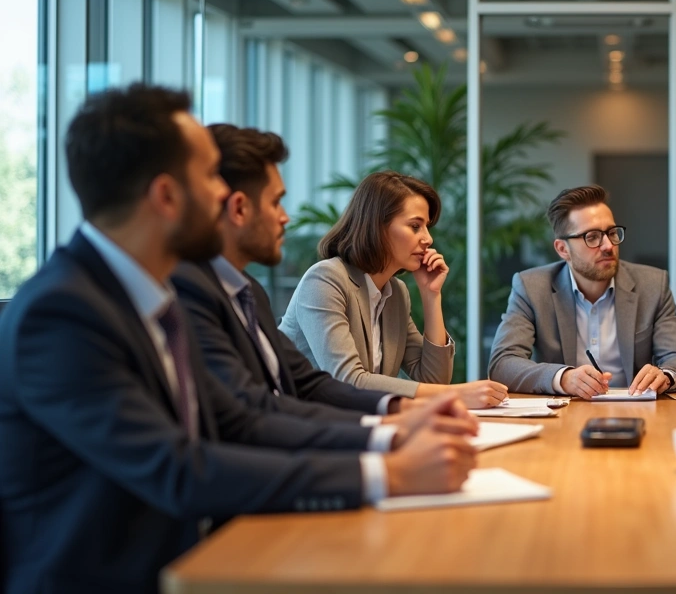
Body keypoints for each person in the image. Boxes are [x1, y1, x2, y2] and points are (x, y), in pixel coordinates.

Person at [0, 84, 478, 594]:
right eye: (210, 177)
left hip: (206, 551)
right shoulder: (64, 312)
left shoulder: (150, 292)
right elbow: (176, 467)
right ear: (165, 195)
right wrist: (389, 473)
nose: (225, 195)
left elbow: (244, 414)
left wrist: (391, 434)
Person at [173, 124, 426, 426]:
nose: (285, 217)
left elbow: (308, 384)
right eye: (275, 202)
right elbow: (341, 382)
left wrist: (400, 418)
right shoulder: (192, 291)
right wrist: (387, 437)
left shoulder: (249, 291)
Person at [279, 172, 507, 408]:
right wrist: (455, 395)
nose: (428, 239)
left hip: (357, 424)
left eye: (427, 227)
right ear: (377, 226)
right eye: (415, 226)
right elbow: (347, 381)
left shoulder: (395, 292)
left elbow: (433, 380)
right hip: (298, 426)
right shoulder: (325, 279)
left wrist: (431, 296)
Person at [488, 185, 676, 398]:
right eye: (592, 237)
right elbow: (503, 364)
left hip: (636, 410)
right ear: (563, 249)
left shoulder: (652, 284)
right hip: (566, 416)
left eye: (611, 233)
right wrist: (563, 378)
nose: (608, 245)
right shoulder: (531, 287)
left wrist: (666, 375)